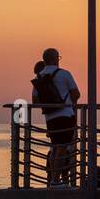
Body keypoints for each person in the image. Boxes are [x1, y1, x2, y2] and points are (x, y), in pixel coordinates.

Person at [32, 48, 80, 186]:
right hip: (66, 115)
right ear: (55, 59)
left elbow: (35, 100)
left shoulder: (39, 77)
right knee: (63, 148)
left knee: (54, 148)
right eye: (58, 58)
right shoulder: (64, 74)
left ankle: (53, 179)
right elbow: (76, 94)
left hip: (49, 117)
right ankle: (55, 180)